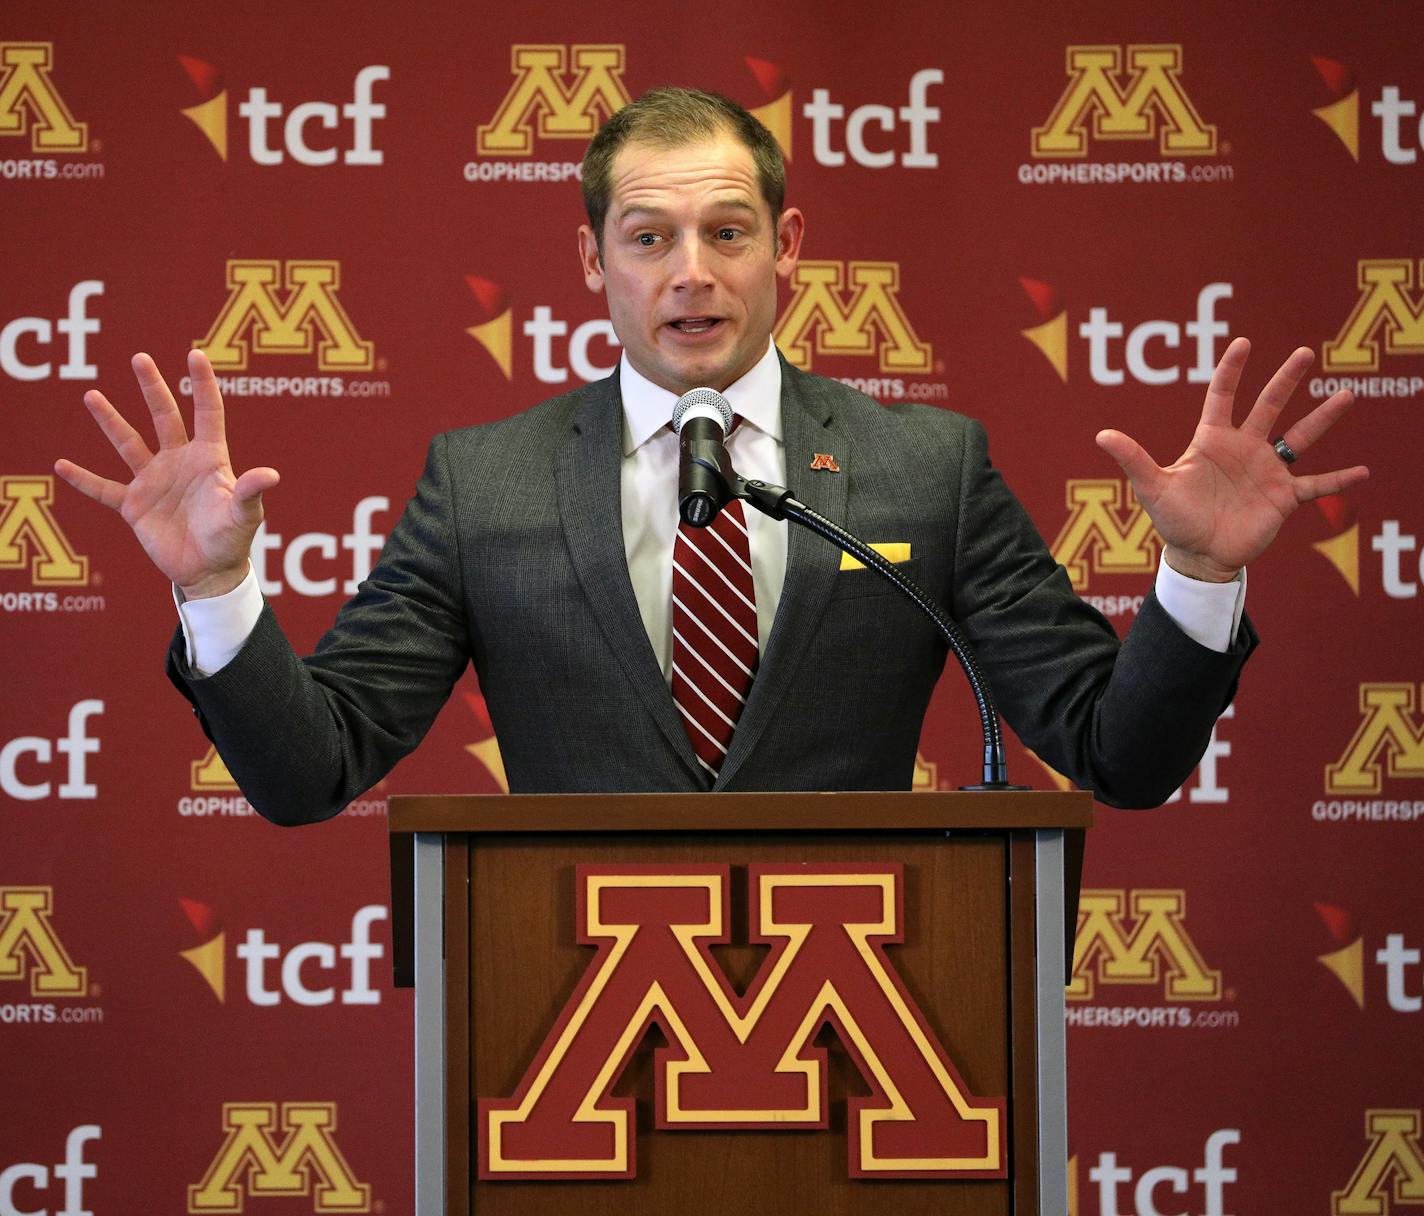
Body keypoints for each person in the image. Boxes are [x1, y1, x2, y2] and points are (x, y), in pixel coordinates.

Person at [54, 89, 1368, 824]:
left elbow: (1117, 755)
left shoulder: (930, 468)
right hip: (565, 1044)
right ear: (592, 263)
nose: (692, 274)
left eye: (730, 231)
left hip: (863, 1036)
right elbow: (308, 772)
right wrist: (216, 595)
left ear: (789, 249)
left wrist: (1195, 576)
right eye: (648, 237)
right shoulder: (486, 481)